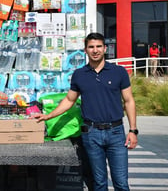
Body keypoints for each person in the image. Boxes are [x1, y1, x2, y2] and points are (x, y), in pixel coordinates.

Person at [33, 32, 138, 191]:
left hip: (116, 133)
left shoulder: (119, 72)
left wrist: (133, 130)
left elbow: (129, 101)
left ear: (104, 48)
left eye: (98, 46)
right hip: (91, 134)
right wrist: (48, 116)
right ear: (85, 50)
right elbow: (69, 100)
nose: (95, 50)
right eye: (91, 47)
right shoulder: (79, 75)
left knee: (121, 183)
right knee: (98, 183)